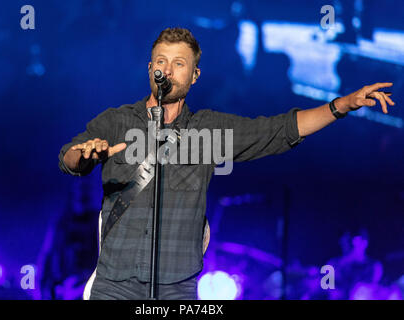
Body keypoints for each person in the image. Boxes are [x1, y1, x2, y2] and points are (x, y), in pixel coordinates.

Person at [58, 27, 395, 300]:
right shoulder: (117, 121)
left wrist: (342, 105)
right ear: (150, 69)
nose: (168, 70)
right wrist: (84, 154)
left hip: (176, 289)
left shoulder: (207, 129)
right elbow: (69, 158)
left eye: (179, 63)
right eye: (161, 61)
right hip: (115, 286)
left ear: (194, 76)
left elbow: (279, 130)